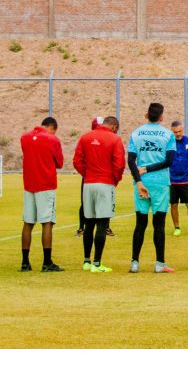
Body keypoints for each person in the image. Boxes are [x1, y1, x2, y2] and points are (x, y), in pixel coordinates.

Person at [126, 104, 177, 274]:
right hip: (160, 183)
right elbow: (169, 161)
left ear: (146, 114)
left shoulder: (136, 133)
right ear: (161, 116)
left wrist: (139, 180)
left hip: (141, 183)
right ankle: (159, 263)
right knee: (159, 224)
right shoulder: (168, 134)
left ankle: (134, 263)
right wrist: (148, 169)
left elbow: (131, 161)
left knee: (140, 223)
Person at [74, 115, 126, 272]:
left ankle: (86, 261)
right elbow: (119, 164)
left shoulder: (85, 137)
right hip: (105, 183)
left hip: (88, 184)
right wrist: (114, 180)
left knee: (88, 223)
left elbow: (77, 161)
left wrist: (88, 174)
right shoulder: (114, 139)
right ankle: (97, 263)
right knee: (102, 224)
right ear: (114, 127)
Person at [20, 117, 65, 272]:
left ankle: (25, 262)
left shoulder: (24, 137)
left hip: (29, 183)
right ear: (52, 127)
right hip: (45, 184)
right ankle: (47, 262)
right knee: (47, 222)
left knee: (28, 222)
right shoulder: (52, 139)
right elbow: (59, 162)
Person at [168, 120, 188, 237]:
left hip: (185, 180)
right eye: (175, 132)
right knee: (173, 204)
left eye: (179, 131)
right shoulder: (169, 144)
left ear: (182, 130)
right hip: (172, 180)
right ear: (172, 132)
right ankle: (177, 227)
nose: (178, 134)